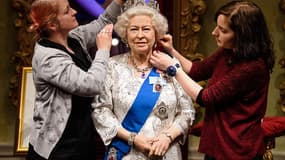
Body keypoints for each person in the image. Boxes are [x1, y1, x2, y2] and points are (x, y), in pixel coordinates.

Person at [150, 0, 275, 160]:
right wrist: (172, 51)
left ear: (242, 35)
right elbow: (196, 70)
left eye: (223, 30)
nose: (214, 32)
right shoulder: (228, 52)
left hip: (238, 149)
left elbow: (206, 97)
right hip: (218, 144)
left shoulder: (252, 67)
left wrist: (173, 69)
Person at [91, 0, 195, 160]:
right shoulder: (112, 66)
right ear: (125, 34)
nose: (140, 35)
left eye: (146, 29)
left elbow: (187, 111)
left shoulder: (170, 64)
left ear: (157, 33)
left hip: (165, 152)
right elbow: (100, 110)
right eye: (134, 29)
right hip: (126, 152)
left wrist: (167, 137)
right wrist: (133, 138)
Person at [26, 0, 126, 159]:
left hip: (82, 139)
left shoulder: (73, 38)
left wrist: (119, 1)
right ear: (52, 25)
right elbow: (91, 85)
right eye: (66, 11)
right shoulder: (48, 58)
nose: (74, 11)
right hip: (59, 148)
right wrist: (103, 51)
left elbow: (103, 22)